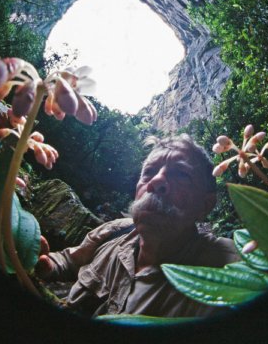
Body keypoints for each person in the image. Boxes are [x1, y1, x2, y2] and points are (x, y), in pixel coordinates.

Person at [35, 134, 241, 318]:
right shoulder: (114, 231)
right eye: (149, 172)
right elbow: (69, 261)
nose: (157, 180)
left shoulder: (229, 268)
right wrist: (48, 265)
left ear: (205, 205)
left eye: (181, 174)